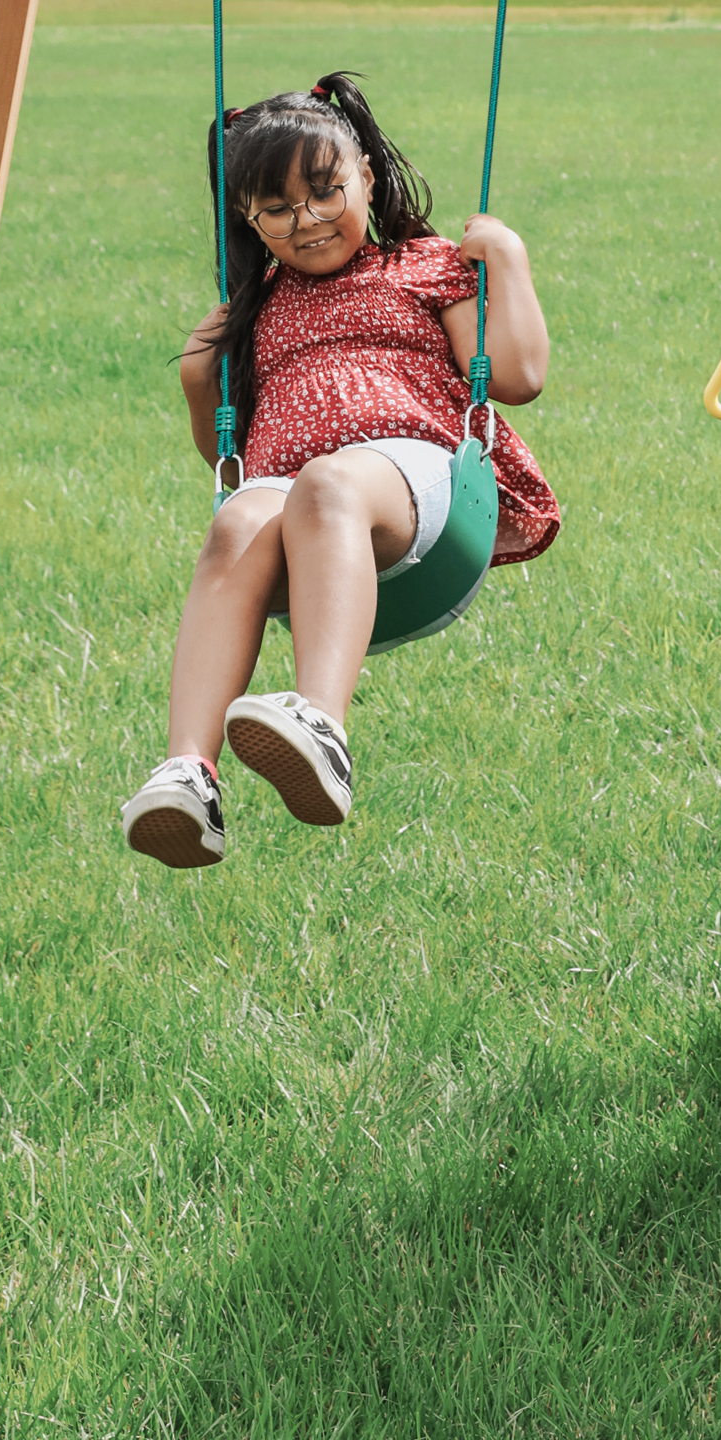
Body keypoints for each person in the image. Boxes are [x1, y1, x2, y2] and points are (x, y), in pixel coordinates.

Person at [121, 74, 558, 868]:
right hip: (296, 502)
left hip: (416, 476)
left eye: (325, 193)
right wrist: (199, 380)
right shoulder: (259, 301)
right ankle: (190, 770)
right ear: (249, 219)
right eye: (278, 211)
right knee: (236, 520)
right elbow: (227, 454)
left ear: (365, 172)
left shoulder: (426, 265)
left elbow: (519, 376)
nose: (307, 222)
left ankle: (320, 724)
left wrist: (510, 258)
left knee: (328, 482)